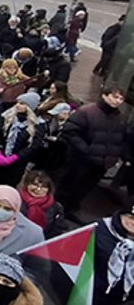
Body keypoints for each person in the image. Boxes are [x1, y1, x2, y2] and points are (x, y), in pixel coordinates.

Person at [57, 86, 129, 219]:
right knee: (70, 185)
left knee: (85, 188)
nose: (117, 101)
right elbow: (70, 131)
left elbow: (121, 138)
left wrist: (116, 155)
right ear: (104, 95)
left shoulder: (119, 117)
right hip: (81, 159)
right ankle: (59, 210)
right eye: (114, 96)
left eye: (121, 98)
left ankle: (71, 209)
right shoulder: (87, 112)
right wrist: (86, 149)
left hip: (102, 163)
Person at [0, 92, 45, 196]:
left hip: (17, 163)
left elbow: (34, 146)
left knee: (7, 188)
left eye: (22, 103)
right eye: (18, 102)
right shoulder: (6, 115)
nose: (18, 105)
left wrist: (15, 157)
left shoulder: (38, 125)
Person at [17, 170, 64, 238]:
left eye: (43, 186)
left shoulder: (56, 207)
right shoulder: (16, 199)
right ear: (26, 184)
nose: (38, 189)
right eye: (35, 185)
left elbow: (58, 230)